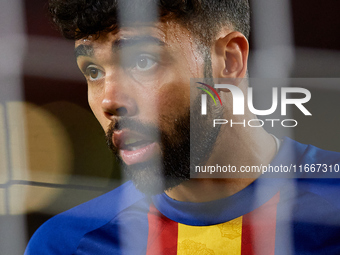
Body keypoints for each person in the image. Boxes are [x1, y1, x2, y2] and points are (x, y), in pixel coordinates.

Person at [25, 0, 340, 254]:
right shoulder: (67, 244)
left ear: (229, 61)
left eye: (143, 62)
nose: (109, 100)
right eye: (93, 71)